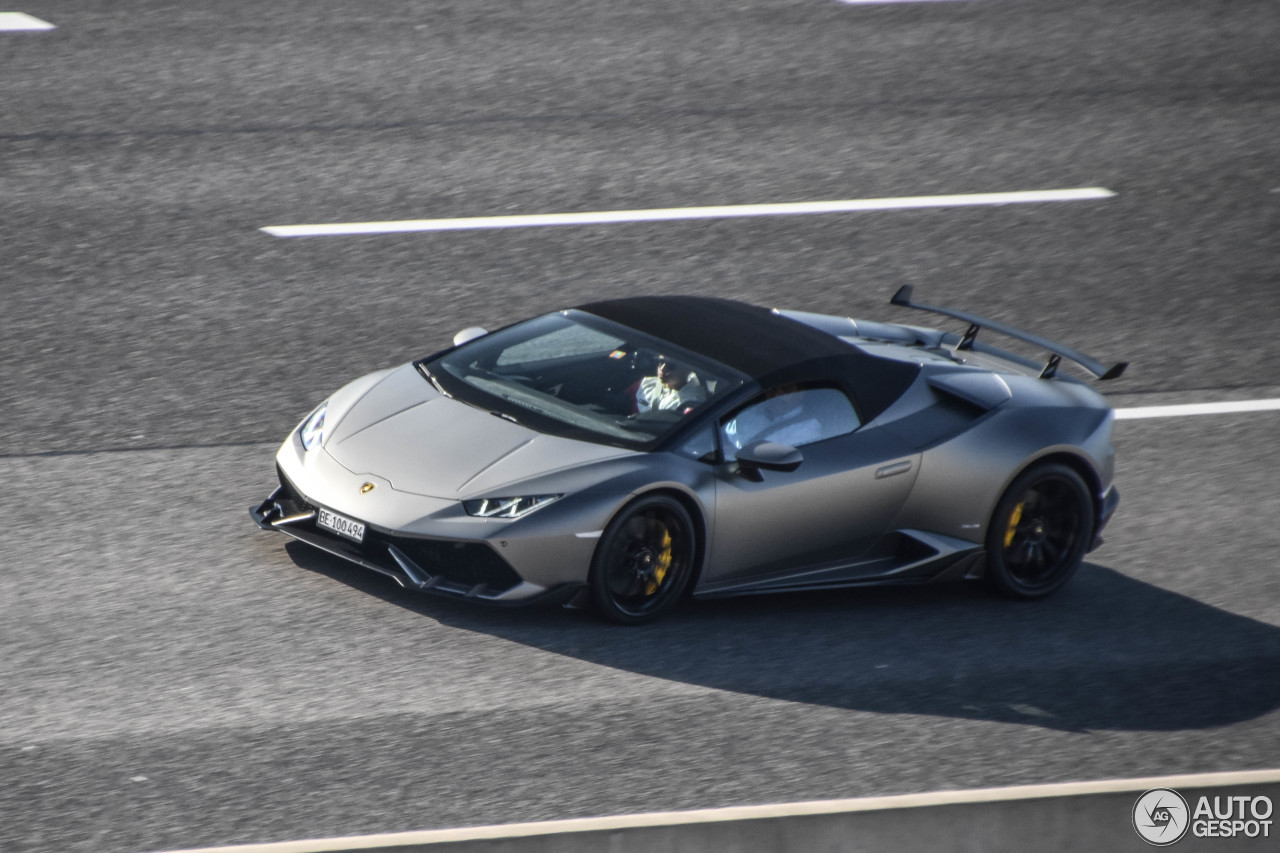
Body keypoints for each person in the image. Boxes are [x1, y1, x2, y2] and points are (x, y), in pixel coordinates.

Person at [635, 359, 706, 414]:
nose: (662, 369)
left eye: (670, 365)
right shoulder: (647, 384)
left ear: (688, 368)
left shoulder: (692, 402)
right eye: (660, 362)